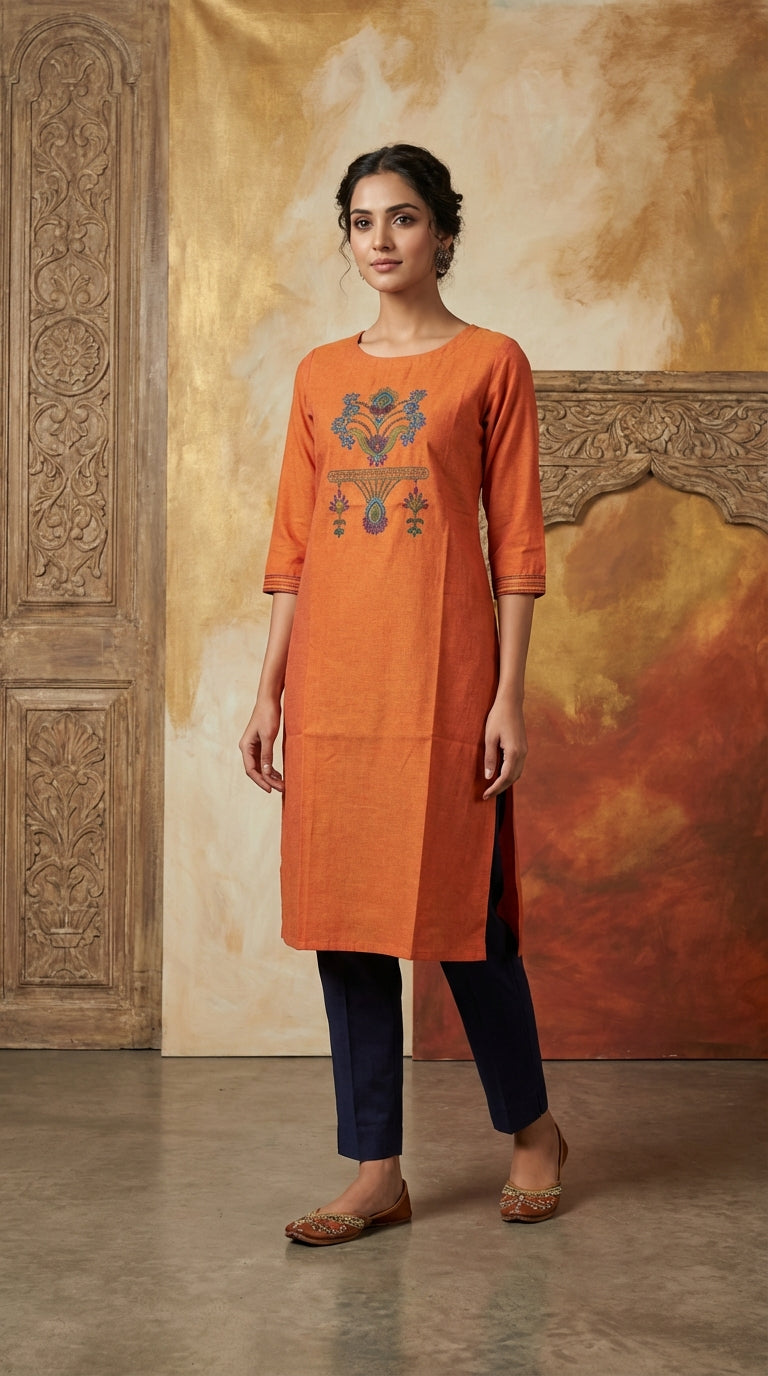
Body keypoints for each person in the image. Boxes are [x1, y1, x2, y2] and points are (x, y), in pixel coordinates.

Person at [239, 144, 566, 1246]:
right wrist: (269, 691)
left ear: (445, 234)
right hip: (334, 685)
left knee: (467, 922)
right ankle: (376, 1168)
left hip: (445, 685)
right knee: (347, 925)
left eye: (404, 217)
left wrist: (507, 696)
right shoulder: (319, 375)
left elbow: (518, 546)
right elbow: (291, 549)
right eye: (361, 220)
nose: (379, 239)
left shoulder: (491, 363)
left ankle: (534, 1132)